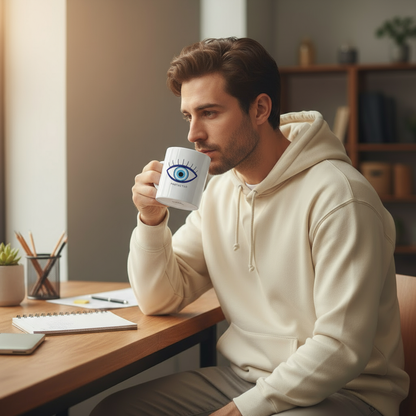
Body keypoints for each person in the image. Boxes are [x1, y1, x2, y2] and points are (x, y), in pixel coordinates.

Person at [91, 37, 409, 416]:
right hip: (246, 379)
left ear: (260, 108)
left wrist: (244, 410)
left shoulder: (341, 197)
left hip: (346, 391)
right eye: (188, 116)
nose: (193, 134)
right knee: (116, 411)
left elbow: (341, 348)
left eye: (209, 113)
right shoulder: (219, 193)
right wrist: (151, 220)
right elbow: (159, 298)